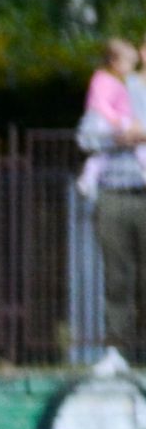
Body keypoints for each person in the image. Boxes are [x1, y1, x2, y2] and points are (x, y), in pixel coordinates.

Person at [76, 37, 146, 376]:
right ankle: (118, 350)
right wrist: (119, 136)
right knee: (117, 276)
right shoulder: (113, 86)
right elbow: (87, 136)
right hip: (115, 193)